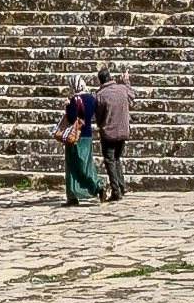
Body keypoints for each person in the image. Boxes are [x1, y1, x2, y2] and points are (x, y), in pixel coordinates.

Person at [58, 75, 106, 204]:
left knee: (73, 165)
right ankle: (96, 187)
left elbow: (73, 117)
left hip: (76, 136)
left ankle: (79, 192)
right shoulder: (91, 99)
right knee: (86, 163)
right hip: (87, 135)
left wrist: (68, 106)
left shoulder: (75, 100)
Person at [93, 67, 136, 200]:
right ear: (110, 77)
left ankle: (116, 190)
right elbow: (132, 95)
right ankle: (121, 186)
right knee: (116, 158)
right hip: (123, 130)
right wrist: (126, 81)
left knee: (110, 160)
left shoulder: (100, 95)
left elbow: (98, 116)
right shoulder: (122, 89)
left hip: (109, 132)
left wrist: (101, 125)